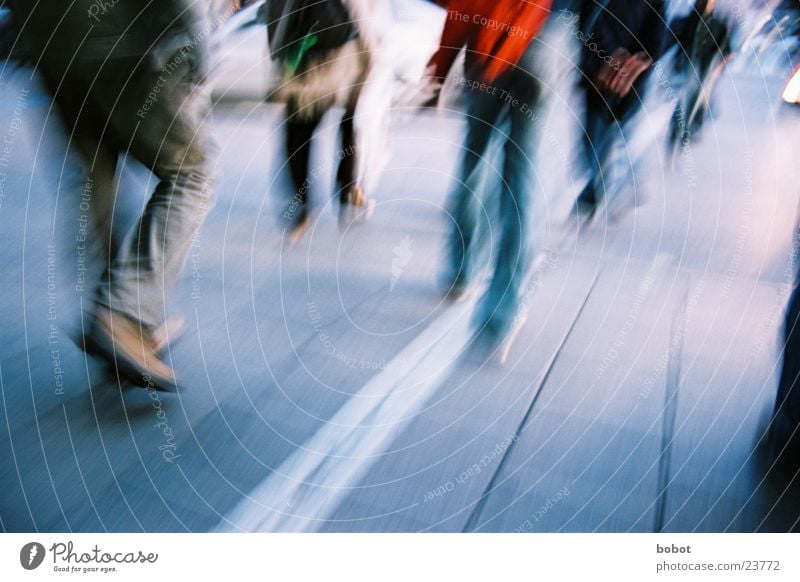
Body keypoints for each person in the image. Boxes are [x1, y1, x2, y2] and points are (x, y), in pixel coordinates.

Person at [10, 0, 229, 390]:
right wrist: (197, 44)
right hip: (124, 44)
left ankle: (110, 316)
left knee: (97, 177)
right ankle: (125, 314)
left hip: (51, 50)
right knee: (193, 171)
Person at [426, 0, 553, 349]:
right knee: (521, 178)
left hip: (488, 50)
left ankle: (460, 271)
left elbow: (463, 8)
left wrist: (440, 66)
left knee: (474, 161)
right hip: (540, 51)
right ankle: (504, 308)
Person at [265, 0, 378, 241]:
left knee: (297, 136)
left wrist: (279, 69)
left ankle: (301, 204)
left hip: (305, 71)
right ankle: (348, 191)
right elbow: (361, 18)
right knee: (349, 127)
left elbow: (277, 23)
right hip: (345, 66)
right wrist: (369, 62)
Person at [572, 0, 668, 215]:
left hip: (621, 71)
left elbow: (657, 29)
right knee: (598, 132)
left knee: (603, 131)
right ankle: (599, 186)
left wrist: (631, 60)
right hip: (612, 70)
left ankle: (599, 188)